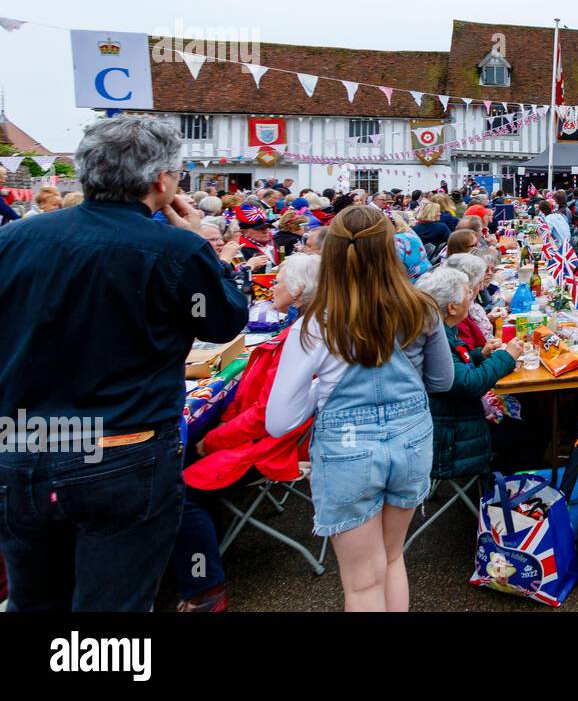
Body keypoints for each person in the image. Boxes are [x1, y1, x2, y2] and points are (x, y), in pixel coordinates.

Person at [0, 115, 248, 610]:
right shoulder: (175, 248)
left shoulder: (14, 241)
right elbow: (224, 322)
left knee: (35, 599)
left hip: (23, 447)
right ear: (162, 180)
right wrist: (202, 243)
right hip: (118, 453)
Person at [266, 205, 454, 612]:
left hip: (348, 451)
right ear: (390, 251)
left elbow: (279, 421)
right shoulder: (420, 308)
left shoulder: (316, 323)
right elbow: (442, 382)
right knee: (391, 557)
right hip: (410, 441)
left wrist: (322, 395)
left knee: (362, 583)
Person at [173, 252, 322, 611]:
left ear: (299, 289)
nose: (272, 283)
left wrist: (214, 439)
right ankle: (208, 548)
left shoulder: (299, 336)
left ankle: (206, 587)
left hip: (270, 446)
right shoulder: (304, 328)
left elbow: (265, 415)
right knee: (186, 457)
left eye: (281, 279)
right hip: (271, 437)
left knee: (175, 489)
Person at [418, 267, 524, 481]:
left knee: (525, 416)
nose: (471, 296)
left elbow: (456, 368)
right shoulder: (438, 336)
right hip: (453, 439)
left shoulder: (441, 328)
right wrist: (506, 357)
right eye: (467, 293)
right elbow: (469, 384)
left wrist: (480, 354)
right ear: (452, 307)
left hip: (449, 421)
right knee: (526, 431)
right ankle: (504, 494)